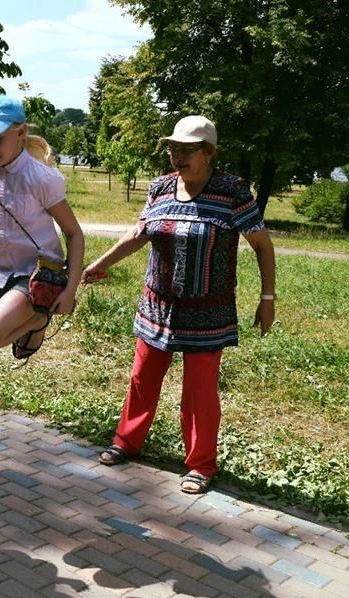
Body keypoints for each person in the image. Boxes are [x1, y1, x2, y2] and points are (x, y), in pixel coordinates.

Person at [82, 115, 276, 495]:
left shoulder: (232, 191)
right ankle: (126, 441)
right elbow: (139, 233)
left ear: (209, 152)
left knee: (199, 392)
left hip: (208, 312)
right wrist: (101, 263)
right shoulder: (160, 188)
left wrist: (267, 299)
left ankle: (201, 464)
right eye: (173, 147)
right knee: (142, 379)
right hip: (157, 305)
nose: (177, 155)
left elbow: (263, 246)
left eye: (188, 149)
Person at [0, 95, 84, 361]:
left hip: (36, 276)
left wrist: (70, 290)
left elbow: (74, 234)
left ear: (21, 133)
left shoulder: (42, 179)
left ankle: (39, 315)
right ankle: (36, 319)